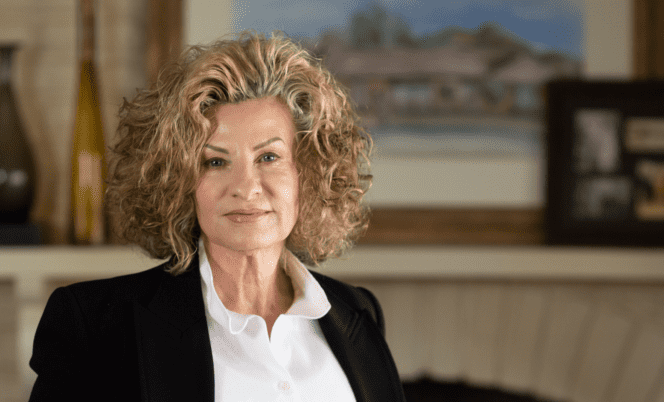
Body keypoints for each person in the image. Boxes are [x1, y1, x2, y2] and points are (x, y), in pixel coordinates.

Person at [28, 32, 406, 401]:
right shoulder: (94, 325)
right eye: (216, 161)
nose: (246, 186)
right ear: (178, 179)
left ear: (306, 171)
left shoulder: (358, 313)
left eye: (269, 157)